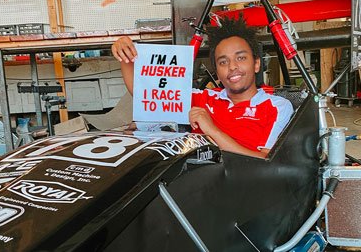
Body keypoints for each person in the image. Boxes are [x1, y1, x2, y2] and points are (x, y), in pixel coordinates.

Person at [111, 16, 293, 158]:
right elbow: (145, 93)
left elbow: (265, 162)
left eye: (241, 57)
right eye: (223, 62)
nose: (232, 67)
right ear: (217, 73)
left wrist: (211, 129)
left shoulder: (278, 107)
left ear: (256, 64)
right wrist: (125, 53)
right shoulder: (204, 99)